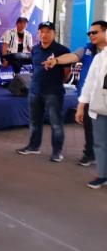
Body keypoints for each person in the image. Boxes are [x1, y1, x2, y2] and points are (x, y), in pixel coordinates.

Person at [44, 20, 107, 166]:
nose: (91, 35)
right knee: (90, 128)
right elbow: (72, 56)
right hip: (89, 97)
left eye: (94, 32)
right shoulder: (87, 49)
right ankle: (90, 154)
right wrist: (56, 60)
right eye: (89, 33)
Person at [16, 21, 71, 162]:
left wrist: (57, 82)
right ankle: (34, 147)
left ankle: (57, 152)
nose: (44, 34)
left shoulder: (62, 50)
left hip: (54, 92)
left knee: (56, 123)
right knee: (34, 121)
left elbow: (67, 73)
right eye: (42, 31)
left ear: (54, 33)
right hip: (34, 91)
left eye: (48, 31)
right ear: (38, 33)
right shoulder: (35, 49)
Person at [75, 40, 107, 188]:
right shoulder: (99, 58)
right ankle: (102, 175)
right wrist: (81, 105)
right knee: (100, 143)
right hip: (100, 107)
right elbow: (89, 83)